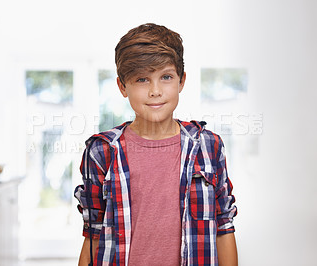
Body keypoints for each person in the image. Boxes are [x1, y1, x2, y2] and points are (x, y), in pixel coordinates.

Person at [74, 23, 238, 266]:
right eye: (142, 79)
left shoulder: (209, 146)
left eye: (166, 77)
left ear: (181, 81)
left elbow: (224, 226)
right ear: (122, 86)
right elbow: (93, 233)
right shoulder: (102, 151)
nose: (155, 91)